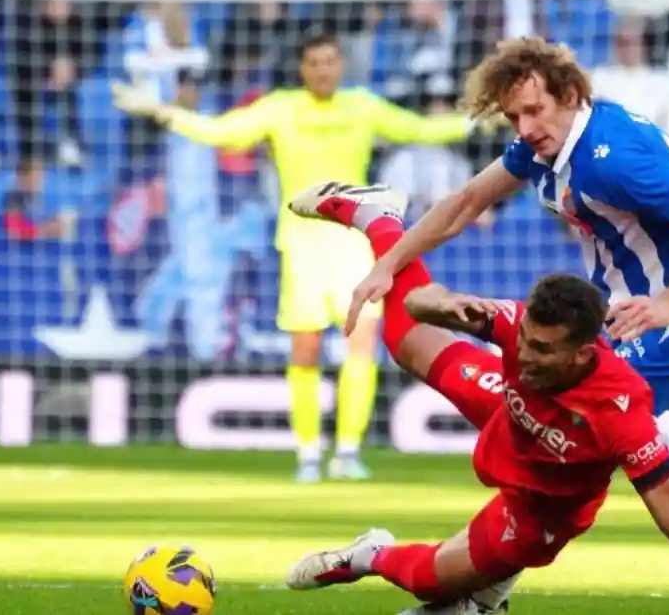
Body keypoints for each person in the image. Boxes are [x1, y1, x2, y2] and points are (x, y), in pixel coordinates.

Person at [345, 37, 669, 593]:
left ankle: (484, 595)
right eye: (513, 116)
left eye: (534, 110)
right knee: (576, 422)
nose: (525, 126)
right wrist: (390, 263)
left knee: (582, 423)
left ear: (571, 95)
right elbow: (466, 203)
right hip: (630, 301)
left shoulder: (610, 161)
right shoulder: (546, 147)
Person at [283, 182, 669, 615]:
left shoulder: (621, 412)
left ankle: (371, 555)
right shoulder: (520, 330)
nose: (524, 353)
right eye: (524, 338)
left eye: (543, 348)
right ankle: (379, 217)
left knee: (430, 581)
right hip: (510, 409)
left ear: (584, 353)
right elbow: (417, 307)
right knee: (408, 342)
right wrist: (440, 303)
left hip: (539, 508)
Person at [110, 32, 479, 483]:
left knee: (360, 345)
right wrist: (162, 113)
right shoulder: (281, 108)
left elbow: (421, 129)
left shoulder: (361, 106)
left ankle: (347, 451)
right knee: (305, 349)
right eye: (314, 62)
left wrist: (486, 119)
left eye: (330, 61)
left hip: (354, 244)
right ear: (303, 68)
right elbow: (223, 132)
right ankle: (307, 452)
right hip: (302, 245)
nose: (323, 70)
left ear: (340, 65)